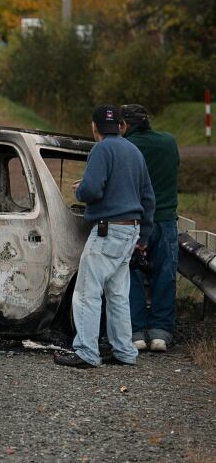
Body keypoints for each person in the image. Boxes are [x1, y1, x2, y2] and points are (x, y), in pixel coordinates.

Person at [54, 105, 155, 369]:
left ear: (94, 127)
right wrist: (143, 237)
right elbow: (148, 198)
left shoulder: (101, 149)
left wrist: (80, 188)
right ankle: (124, 351)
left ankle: (87, 352)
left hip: (108, 229)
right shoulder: (134, 151)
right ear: (120, 125)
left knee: (88, 292)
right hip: (130, 230)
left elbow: (91, 191)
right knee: (118, 293)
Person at [122, 104, 180, 352]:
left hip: (136, 220)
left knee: (132, 275)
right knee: (165, 275)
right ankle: (160, 333)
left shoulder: (127, 147)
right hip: (166, 219)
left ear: (125, 125)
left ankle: (135, 332)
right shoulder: (169, 142)